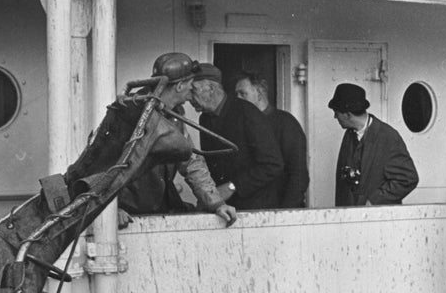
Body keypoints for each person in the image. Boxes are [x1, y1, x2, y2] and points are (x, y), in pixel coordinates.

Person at [117, 53, 237, 228]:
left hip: (158, 208)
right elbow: (102, 164)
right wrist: (112, 210)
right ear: (180, 86)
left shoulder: (174, 115)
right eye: (190, 86)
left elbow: (191, 162)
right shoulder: (130, 111)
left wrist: (216, 203)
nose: (191, 94)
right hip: (128, 214)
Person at [191, 63, 284, 210]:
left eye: (193, 90)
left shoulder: (248, 113)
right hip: (223, 209)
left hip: (255, 210)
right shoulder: (205, 119)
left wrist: (232, 186)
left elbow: (273, 164)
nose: (189, 97)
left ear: (211, 88)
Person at [327, 83, 418, 207]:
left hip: (377, 220)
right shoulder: (349, 134)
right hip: (350, 218)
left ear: (348, 114)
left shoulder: (388, 137)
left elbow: (408, 179)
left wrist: (374, 200)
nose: (334, 117)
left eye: (336, 113)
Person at [235, 72, 310, 208]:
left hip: (279, 210)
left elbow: (298, 174)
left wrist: (285, 212)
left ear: (259, 93)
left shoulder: (286, 123)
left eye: (242, 93)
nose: (238, 99)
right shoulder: (241, 126)